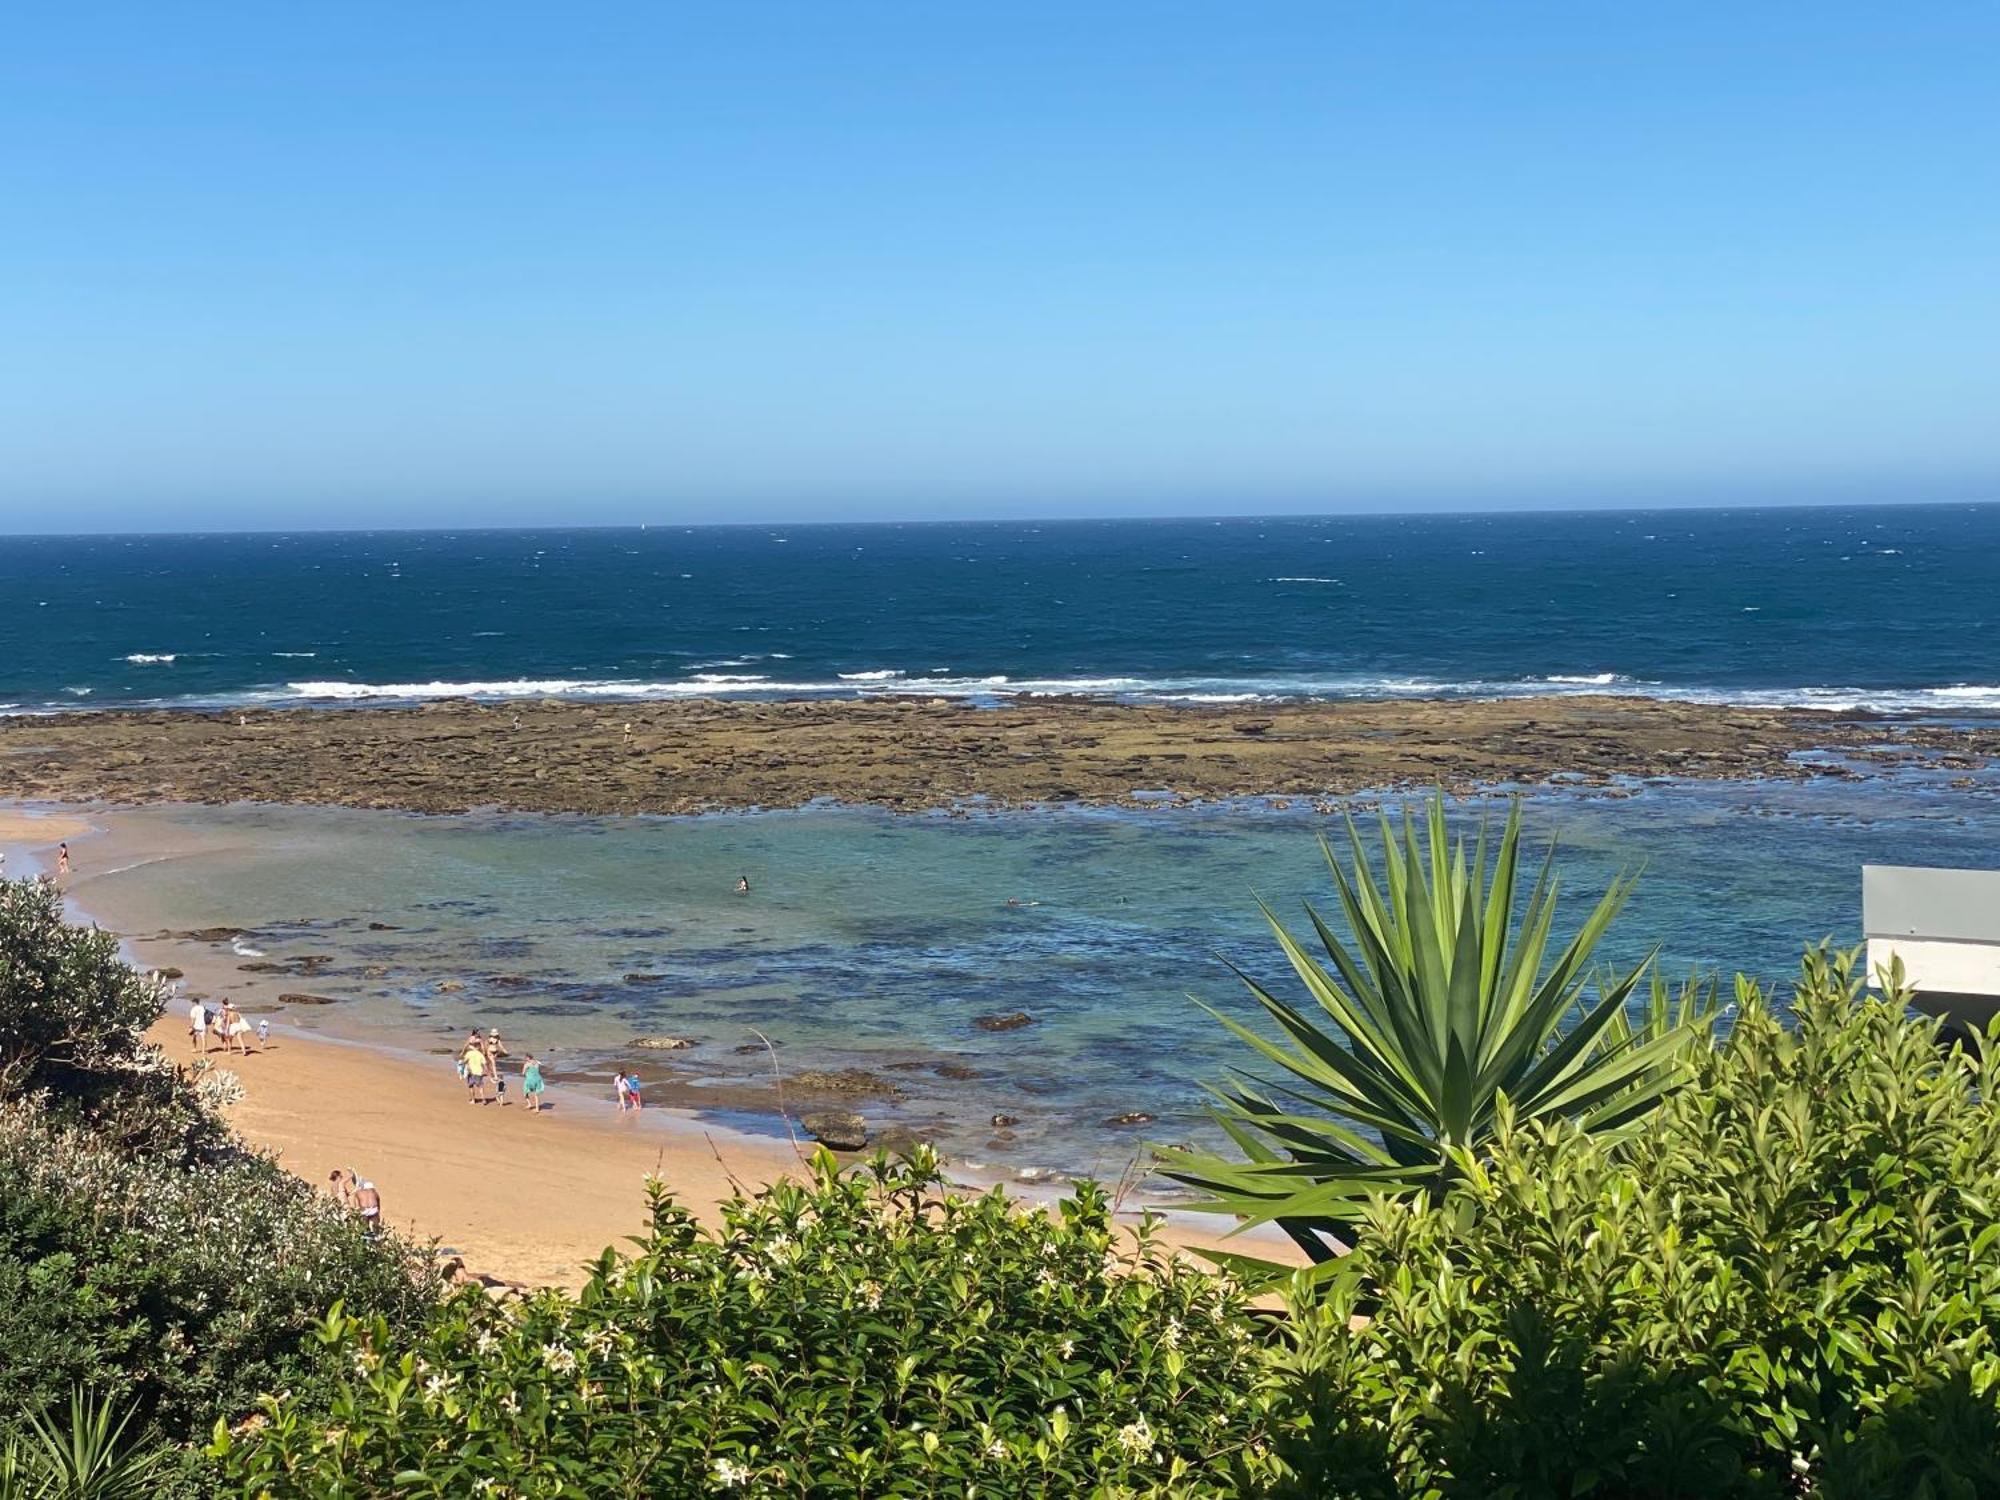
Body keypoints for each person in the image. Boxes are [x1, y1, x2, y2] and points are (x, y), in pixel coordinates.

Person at [461, 1035, 489, 1103]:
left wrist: (462, 1068)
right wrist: (487, 1071)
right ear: (478, 1047)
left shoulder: (469, 1053)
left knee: (471, 1086)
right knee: (480, 1087)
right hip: (479, 1073)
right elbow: (485, 1064)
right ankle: (483, 1099)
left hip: (471, 1073)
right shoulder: (480, 1054)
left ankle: (473, 1100)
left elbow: (464, 1061)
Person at [485, 1029, 509, 1104]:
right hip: (490, 1051)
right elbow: (486, 1045)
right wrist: (485, 1052)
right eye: (494, 1034)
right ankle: (493, 1076)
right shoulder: (489, 1039)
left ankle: (494, 1076)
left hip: (495, 1052)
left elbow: (500, 1046)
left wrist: (504, 1050)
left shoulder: (498, 1039)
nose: (495, 1035)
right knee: (492, 1064)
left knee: (492, 1064)